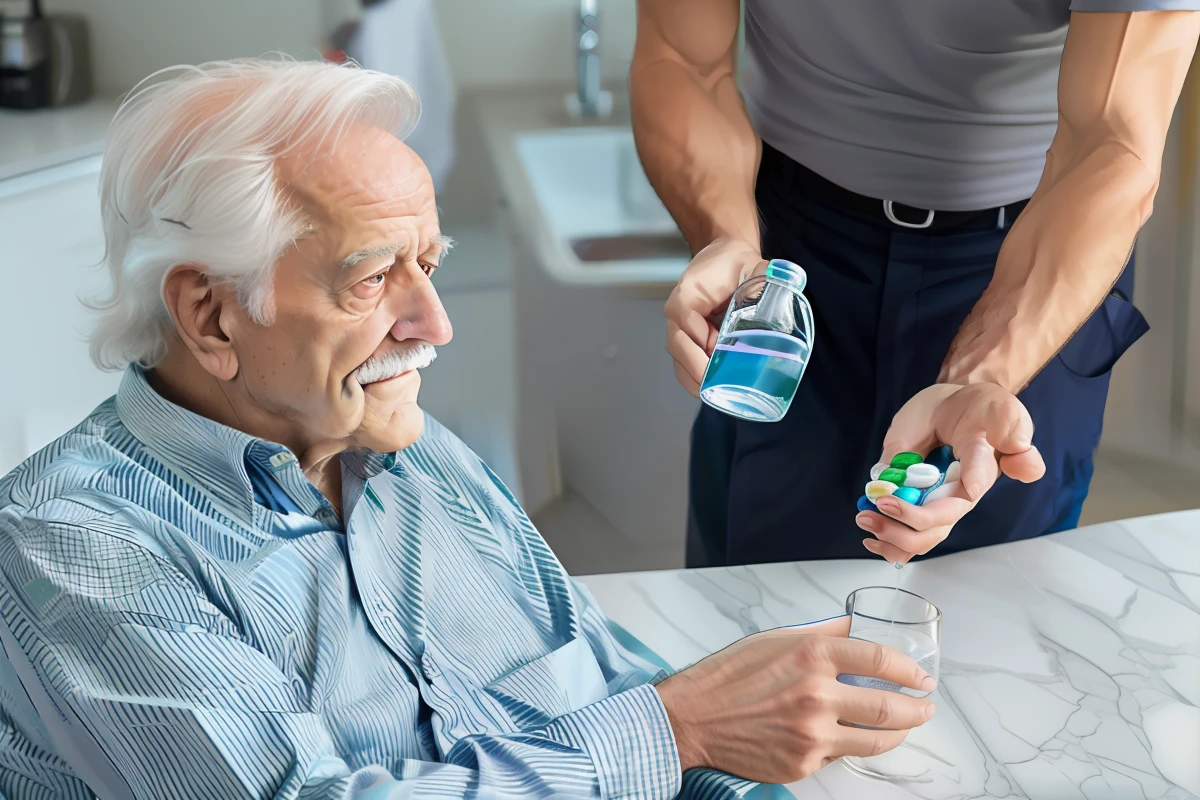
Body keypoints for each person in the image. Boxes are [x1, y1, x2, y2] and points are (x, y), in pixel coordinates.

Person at [0, 57, 955, 800]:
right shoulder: (72, 543)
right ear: (210, 317)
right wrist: (681, 729)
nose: (435, 325)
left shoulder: (411, 458)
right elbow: (653, 728)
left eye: (431, 263)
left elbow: (604, 691)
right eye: (374, 278)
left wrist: (726, 767)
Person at [630, 2, 1200, 568]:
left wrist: (981, 379)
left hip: (1036, 251)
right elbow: (683, 61)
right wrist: (727, 239)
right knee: (752, 594)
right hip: (789, 248)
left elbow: (1111, 145)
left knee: (997, 595)